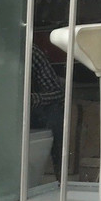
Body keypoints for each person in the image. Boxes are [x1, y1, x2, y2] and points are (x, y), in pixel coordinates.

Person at [30, 44, 65, 173]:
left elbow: (57, 93)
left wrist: (32, 99)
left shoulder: (32, 53)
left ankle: (61, 175)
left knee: (54, 113)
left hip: (30, 112)